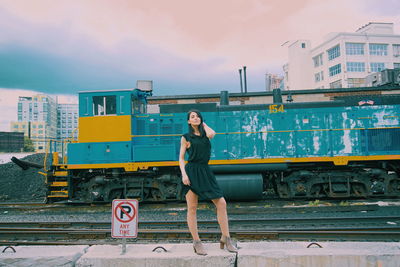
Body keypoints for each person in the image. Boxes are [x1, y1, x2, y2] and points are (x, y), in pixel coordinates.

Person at [179, 109, 238, 256]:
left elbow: (213, 133)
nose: (196, 118)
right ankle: (196, 242)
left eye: (198, 116)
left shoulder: (206, 134)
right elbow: (180, 158)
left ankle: (226, 237)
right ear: (188, 121)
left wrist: (202, 123)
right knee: (192, 208)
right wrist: (184, 175)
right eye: (192, 116)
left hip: (205, 171)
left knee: (221, 203)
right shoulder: (185, 137)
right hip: (192, 172)